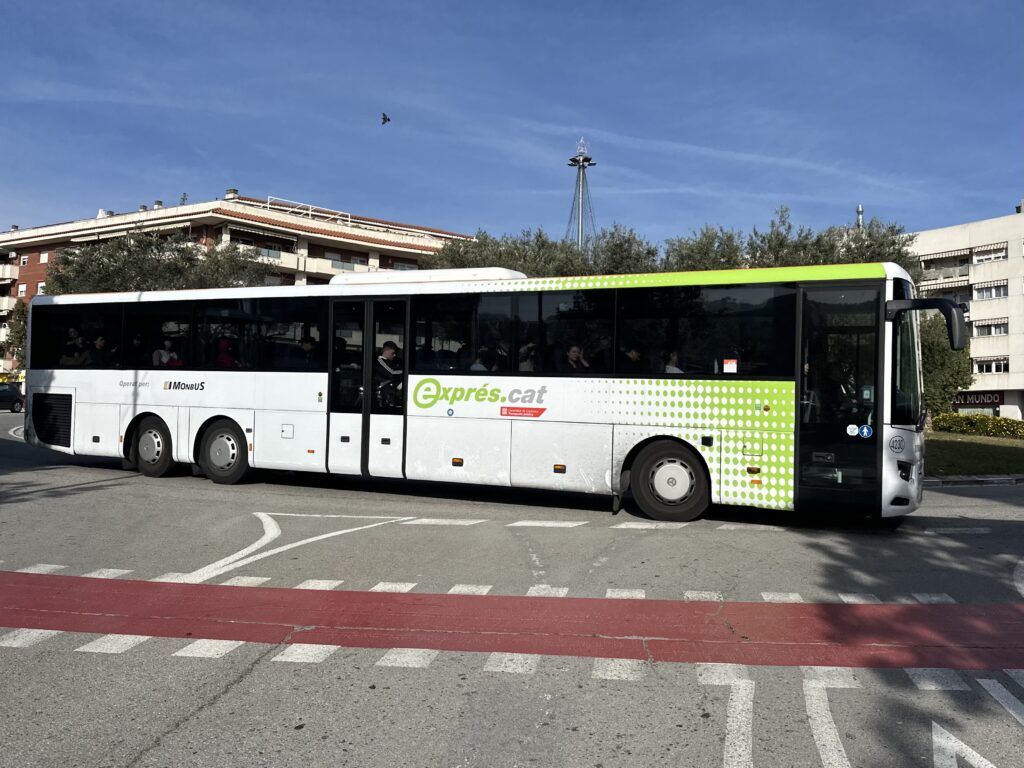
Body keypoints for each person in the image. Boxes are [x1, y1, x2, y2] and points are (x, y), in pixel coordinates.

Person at [374, 340, 403, 408]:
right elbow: (392, 373)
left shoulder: (392, 361)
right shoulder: (380, 361)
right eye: (393, 353)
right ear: (387, 350)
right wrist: (405, 372)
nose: (394, 355)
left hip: (393, 390)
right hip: (387, 392)